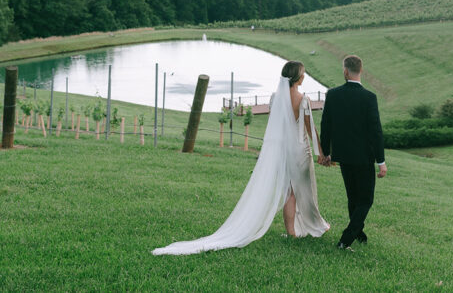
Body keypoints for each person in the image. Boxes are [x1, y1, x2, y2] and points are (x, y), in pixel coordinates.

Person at [152, 61, 329, 255]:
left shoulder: (275, 98)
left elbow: (276, 125)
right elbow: (310, 129)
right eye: (303, 74)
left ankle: (292, 231)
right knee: (303, 189)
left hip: (281, 149)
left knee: (289, 191)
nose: (304, 77)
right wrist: (321, 152)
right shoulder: (303, 100)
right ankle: (312, 225)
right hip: (299, 149)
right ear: (298, 78)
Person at [318, 54, 386, 251]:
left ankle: (358, 232)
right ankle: (346, 238)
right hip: (364, 156)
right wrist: (381, 161)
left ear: (345, 71)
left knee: (353, 197)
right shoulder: (369, 97)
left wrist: (326, 152)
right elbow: (376, 131)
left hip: (343, 156)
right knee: (365, 199)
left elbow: (326, 126)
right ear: (361, 71)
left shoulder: (332, 94)